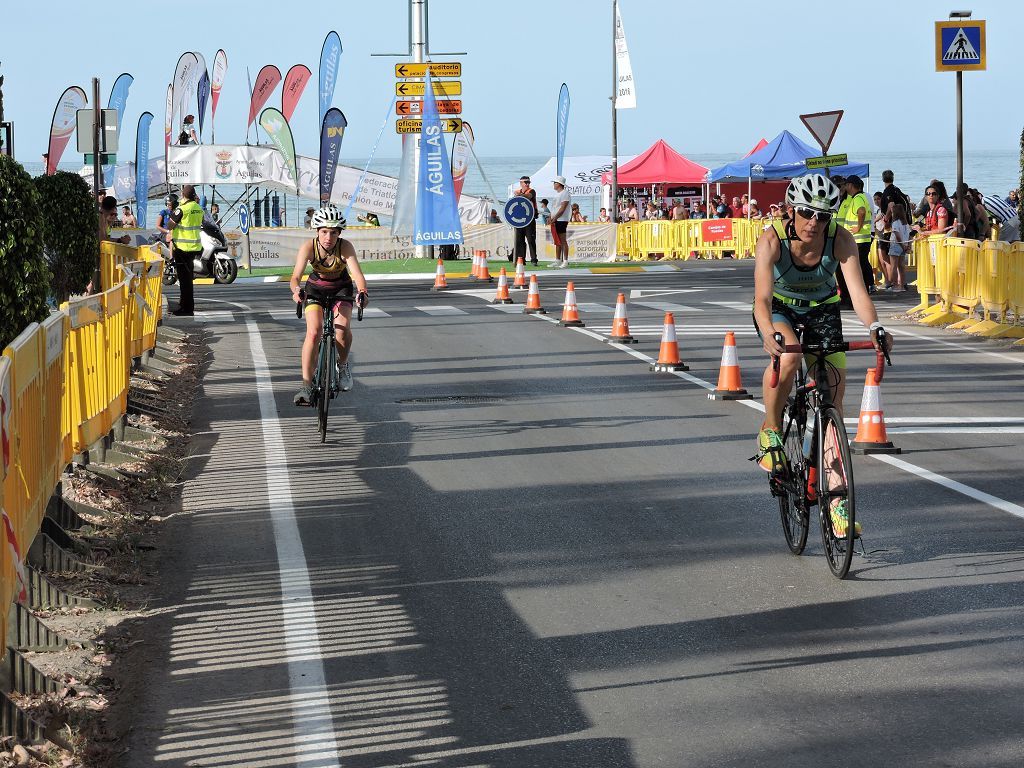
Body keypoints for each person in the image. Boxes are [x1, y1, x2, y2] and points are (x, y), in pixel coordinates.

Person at [752, 173, 892, 539]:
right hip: (780, 309)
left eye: (823, 215)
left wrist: (875, 327)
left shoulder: (840, 239)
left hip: (823, 308)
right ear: (790, 210)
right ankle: (770, 430)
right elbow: (762, 301)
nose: (814, 222)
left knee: (833, 398)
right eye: (806, 213)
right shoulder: (772, 241)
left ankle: (835, 503)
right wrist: (768, 334)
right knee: (790, 360)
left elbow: (857, 293)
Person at [289, 204, 368, 405]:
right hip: (315, 289)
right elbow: (296, 276)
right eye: (324, 232)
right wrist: (296, 290)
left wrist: (362, 292)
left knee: (341, 330)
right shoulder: (308, 247)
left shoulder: (345, 246)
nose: (328, 237)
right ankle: (306, 386)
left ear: (339, 233)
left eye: (333, 233)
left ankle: (342, 366)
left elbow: (357, 274)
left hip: (341, 288)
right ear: (317, 231)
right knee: (314, 333)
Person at [167, 185, 205, 316]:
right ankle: (185, 305)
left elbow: (170, 224)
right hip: (194, 247)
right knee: (187, 278)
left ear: (183, 195)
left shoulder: (182, 209)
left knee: (184, 280)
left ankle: (186, 308)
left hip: (182, 248)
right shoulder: (198, 208)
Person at [837, 175, 875, 296]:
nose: (845, 187)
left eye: (846, 184)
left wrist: (858, 227)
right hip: (861, 238)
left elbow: (861, 211)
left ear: (851, 185)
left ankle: (863, 289)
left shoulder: (858, 198)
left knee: (859, 265)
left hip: (859, 239)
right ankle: (866, 288)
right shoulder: (860, 197)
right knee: (862, 264)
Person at [511, 175, 538, 265]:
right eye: (525, 182)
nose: (527, 184)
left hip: (530, 219)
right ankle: (521, 259)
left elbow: (528, 196)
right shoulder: (517, 192)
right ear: (521, 183)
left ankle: (534, 259)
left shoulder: (531, 191)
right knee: (520, 240)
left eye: (528, 182)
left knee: (531, 240)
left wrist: (519, 195)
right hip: (519, 221)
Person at [887, 203, 911, 291]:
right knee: (901, 266)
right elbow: (909, 235)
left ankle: (895, 285)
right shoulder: (905, 224)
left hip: (896, 244)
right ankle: (902, 285)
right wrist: (906, 245)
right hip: (904, 244)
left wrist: (901, 244)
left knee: (894, 266)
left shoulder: (895, 223)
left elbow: (897, 235)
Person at [549, 175, 571, 268]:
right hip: (556, 219)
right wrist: (551, 217)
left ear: (559, 184)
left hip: (561, 220)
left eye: (555, 183)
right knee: (557, 241)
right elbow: (554, 207)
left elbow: (562, 208)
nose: (553, 184)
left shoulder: (565, 193)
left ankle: (565, 260)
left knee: (562, 240)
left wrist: (554, 218)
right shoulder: (557, 194)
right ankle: (558, 260)